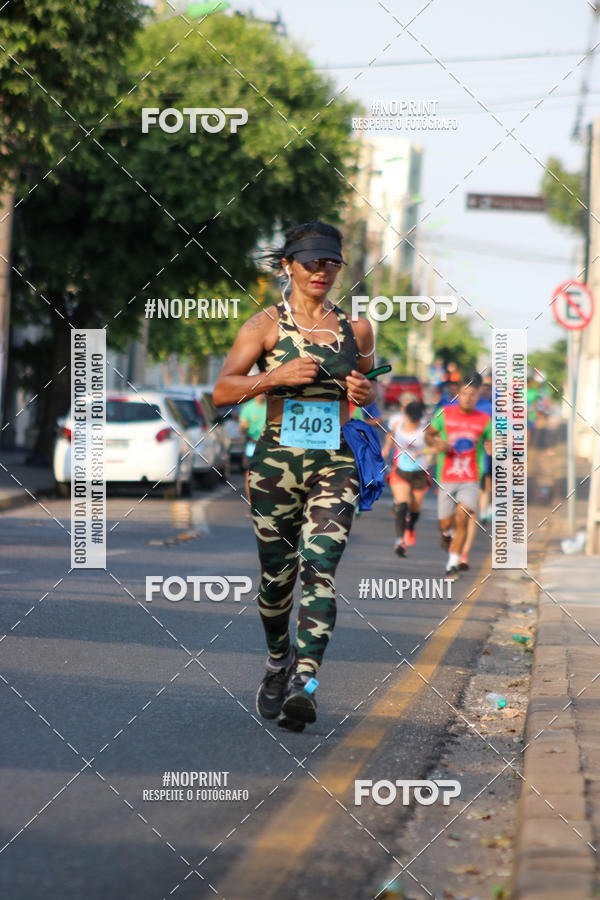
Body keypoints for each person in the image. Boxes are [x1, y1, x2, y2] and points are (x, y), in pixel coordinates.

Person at [213, 221, 378, 731]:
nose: (322, 272)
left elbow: (370, 389)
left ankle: (306, 683)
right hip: (275, 466)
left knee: (321, 568)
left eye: (331, 264)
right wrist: (274, 377)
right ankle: (279, 661)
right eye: (312, 263)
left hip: (335, 463)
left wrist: (366, 394)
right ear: (288, 266)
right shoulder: (262, 326)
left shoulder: (358, 328)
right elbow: (221, 391)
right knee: (276, 580)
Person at [426, 371, 492, 576]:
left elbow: (492, 442)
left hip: (471, 477)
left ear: (478, 395)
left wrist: (493, 447)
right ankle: (446, 532)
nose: (468, 398)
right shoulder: (444, 413)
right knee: (445, 522)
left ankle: (453, 563)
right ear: (458, 394)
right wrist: (437, 443)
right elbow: (428, 434)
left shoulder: (485, 419)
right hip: (447, 475)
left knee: (463, 516)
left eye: (472, 394)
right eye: (464, 393)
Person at [382, 400, 430, 556]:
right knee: (402, 505)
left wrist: (425, 452)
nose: (415, 422)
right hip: (401, 471)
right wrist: (387, 448)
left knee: (415, 509)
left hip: (420, 473)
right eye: (412, 418)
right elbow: (390, 436)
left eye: (417, 419)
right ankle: (399, 540)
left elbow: (435, 445)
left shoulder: (425, 430)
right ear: (406, 416)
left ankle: (410, 527)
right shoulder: (398, 425)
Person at [239, 393, 267, 499]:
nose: (260, 395)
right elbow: (241, 428)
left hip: (266, 443)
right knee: (249, 473)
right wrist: (243, 426)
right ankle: (251, 501)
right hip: (252, 443)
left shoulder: (269, 406)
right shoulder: (248, 408)